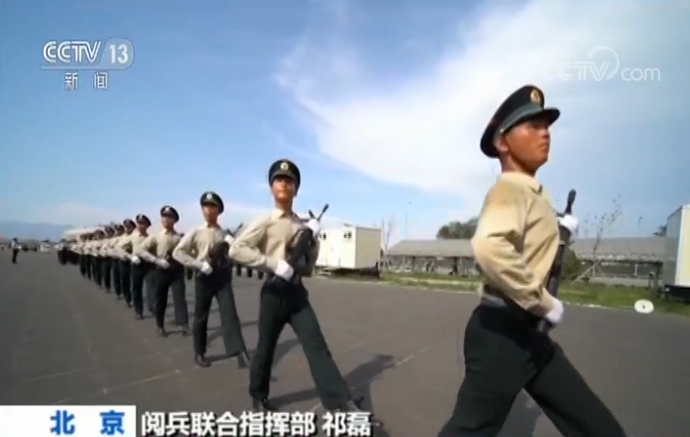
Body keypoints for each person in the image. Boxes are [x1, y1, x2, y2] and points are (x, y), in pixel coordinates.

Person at [437, 85, 626, 437]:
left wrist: (559, 230)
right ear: (502, 142)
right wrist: (542, 301)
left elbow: (530, 251)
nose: (545, 133)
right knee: (469, 430)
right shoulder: (509, 189)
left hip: (529, 335)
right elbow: (489, 245)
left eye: (546, 126)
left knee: (595, 425)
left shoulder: (531, 192)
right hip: (503, 333)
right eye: (533, 126)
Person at [228, 159, 374, 416]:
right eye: (279, 179)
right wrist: (273, 264)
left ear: (296, 189)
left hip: (297, 294)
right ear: (271, 187)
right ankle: (258, 397)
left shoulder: (300, 224)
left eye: (289, 181)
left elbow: (307, 268)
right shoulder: (265, 221)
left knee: (316, 345)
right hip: (273, 294)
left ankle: (341, 402)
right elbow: (236, 250)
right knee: (265, 349)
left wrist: (313, 241)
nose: (284, 184)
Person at [173, 191, 250, 368]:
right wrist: (198, 265)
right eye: (206, 206)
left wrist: (232, 245)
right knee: (201, 316)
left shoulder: (224, 234)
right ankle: (199, 351)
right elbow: (178, 252)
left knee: (229, 313)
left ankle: (239, 351)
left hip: (222, 278)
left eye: (212, 206)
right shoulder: (195, 231)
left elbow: (235, 254)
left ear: (219, 211)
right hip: (204, 278)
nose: (208, 210)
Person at [136, 205, 190, 337]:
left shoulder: (179, 238)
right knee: (160, 299)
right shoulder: (156, 236)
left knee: (180, 298)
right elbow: (139, 250)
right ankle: (160, 325)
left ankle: (184, 324)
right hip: (162, 270)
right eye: (164, 217)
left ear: (174, 220)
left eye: (169, 217)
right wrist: (156, 260)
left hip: (177, 271)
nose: (165, 219)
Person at [116, 215, 152, 319]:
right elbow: (119, 247)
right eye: (139, 223)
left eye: (143, 223)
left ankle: (152, 306)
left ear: (147, 225)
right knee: (136, 288)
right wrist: (130, 257)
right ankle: (138, 310)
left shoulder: (150, 237)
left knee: (151, 287)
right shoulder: (133, 237)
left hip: (149, 264)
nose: (140, 226)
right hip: (137, 264)